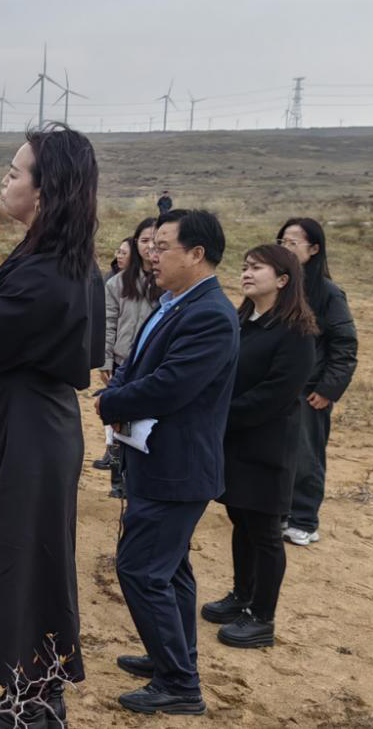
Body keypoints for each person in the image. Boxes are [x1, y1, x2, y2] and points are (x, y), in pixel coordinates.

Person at [0, 126, 102, 728]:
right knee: (20, 558)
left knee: (23, 561)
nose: (4, 182)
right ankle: (24, 693)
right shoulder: (57, 257)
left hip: (29, 430)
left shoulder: (50, 269)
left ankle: (35, 704)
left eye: (14, 172)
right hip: (28, 421)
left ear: (46, 188)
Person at [95, 209, 239, 716]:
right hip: (157, 461)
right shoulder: (176, 302)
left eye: (162, 248)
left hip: (178, 468)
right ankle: (173, 659)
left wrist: (112, 402)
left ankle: (179, 684)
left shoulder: (210, 314)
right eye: (150, 246)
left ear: (196, 254)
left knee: (140, 569)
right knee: (171, 569)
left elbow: (173, 385)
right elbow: (138, 364)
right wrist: (119, 389)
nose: (151, 256)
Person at [202, 244, 316, 650]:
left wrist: (219, 413)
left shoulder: (296, 332)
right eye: (245, 267)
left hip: (267, 446)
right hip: (235, 440)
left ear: (282, 280)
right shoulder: (242, 320)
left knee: (265, 530)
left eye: (257, 268)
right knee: (241, 517)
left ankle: (261, 617)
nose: (246, 273)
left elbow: (275, 395)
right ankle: (241, 595)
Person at [275, 218, 358, 547]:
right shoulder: (280, 285)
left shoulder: (328, 293)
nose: (285, 248)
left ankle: (304, 520)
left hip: (309, 391)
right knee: (277, 452)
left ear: (313, 249)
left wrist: (327, 389)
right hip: (279, 386)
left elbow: (345, 345)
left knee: (306, 456)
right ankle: (281, 512)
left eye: (292, 242)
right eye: (282, 242)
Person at [94, 219, 161, 496]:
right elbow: (108, 323)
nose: (150, 246)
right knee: (118, 421)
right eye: (144, 240)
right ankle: (118, 481)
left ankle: (140, 479)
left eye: (156, 241)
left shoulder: (168, 283)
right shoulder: (118, 282)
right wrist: (105, 360)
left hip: (154, 365)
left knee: (145, 424)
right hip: (123, 363)